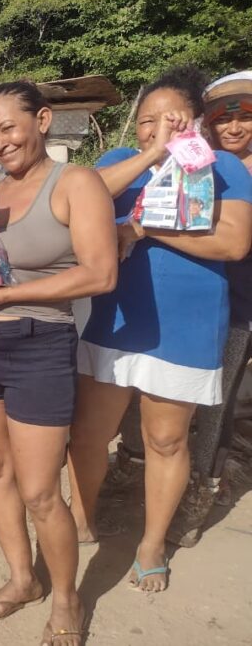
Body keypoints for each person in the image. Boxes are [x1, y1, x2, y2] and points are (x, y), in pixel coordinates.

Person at [0, 81, 116, 646]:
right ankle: (22, 578)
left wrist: (8, 298)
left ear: (42, 119)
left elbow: (100, 274)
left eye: (9, 127)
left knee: (40, 491)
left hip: (41, 341)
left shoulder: (75, 182)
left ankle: (67, 597)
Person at [68, 66, 252, 594]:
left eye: (169, 120)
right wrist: (152, 157)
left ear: (195, 120)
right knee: (89, 432)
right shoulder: (120, 160)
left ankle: (151, 544)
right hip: (114, 319)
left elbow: (233, 243)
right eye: (147, 121)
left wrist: (146, 227)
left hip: (185, 324)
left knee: (167, 439)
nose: (156, 129)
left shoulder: (223, 170)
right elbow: (87, 196)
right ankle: (82, 516)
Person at [160, 71, 252, 548]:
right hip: (194, 300)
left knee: (221, 400)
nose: (234, 127)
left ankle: (202, 487)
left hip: (241, 306)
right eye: (222, 117)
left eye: (246, 116)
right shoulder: (197, 164)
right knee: (168, 401)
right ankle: (145, 470)